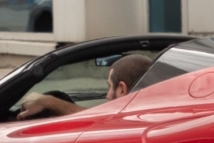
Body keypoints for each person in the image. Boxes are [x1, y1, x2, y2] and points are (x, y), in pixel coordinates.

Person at [15, 51, 154, 120]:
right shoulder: (154, 111)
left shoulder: (129, 121)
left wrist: (47, 101)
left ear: (122, 89)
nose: (106, 96)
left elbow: (98, 120)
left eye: (109, 86)